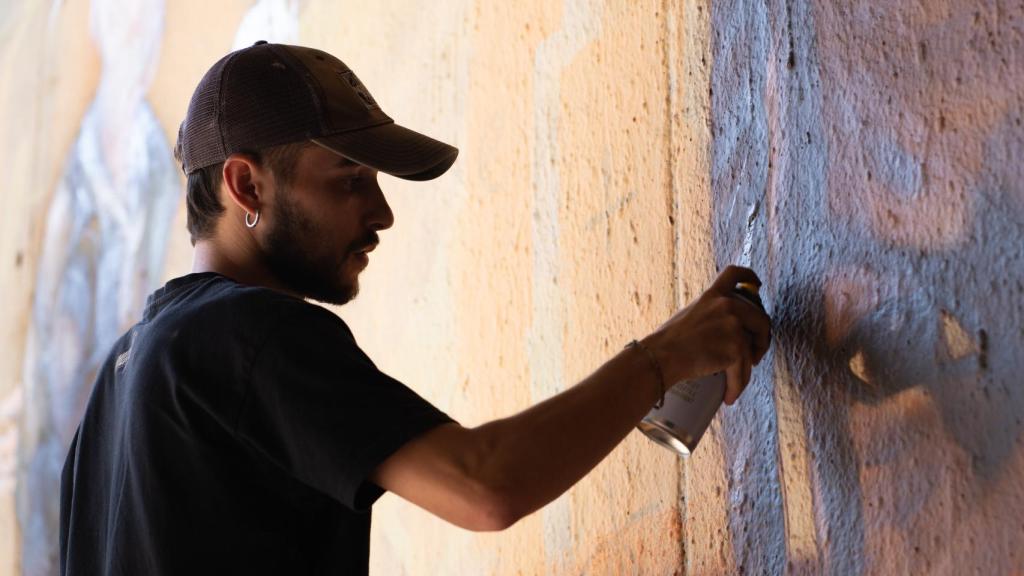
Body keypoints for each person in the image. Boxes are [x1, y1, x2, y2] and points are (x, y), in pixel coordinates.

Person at [58, 41, 771, 575]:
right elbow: (483, 485)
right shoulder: (244, 332)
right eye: (350, 179)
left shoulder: (110, 403)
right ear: (247, 186)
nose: (381, 213)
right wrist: (664, 358)